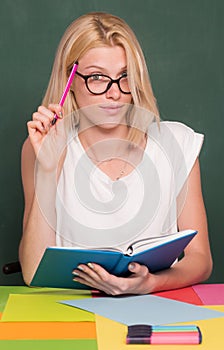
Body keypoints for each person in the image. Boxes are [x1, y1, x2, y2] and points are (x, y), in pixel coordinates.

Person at [19, 12, 213, 295]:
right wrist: (48, 167)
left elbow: (200, 260)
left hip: (157, 306)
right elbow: (33, 269)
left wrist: (150, 283)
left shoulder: (177, 143)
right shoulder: (42, 145)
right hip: (71, 312)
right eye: (97, 78)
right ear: (69, 79)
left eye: (124, 77)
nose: (114, 93)